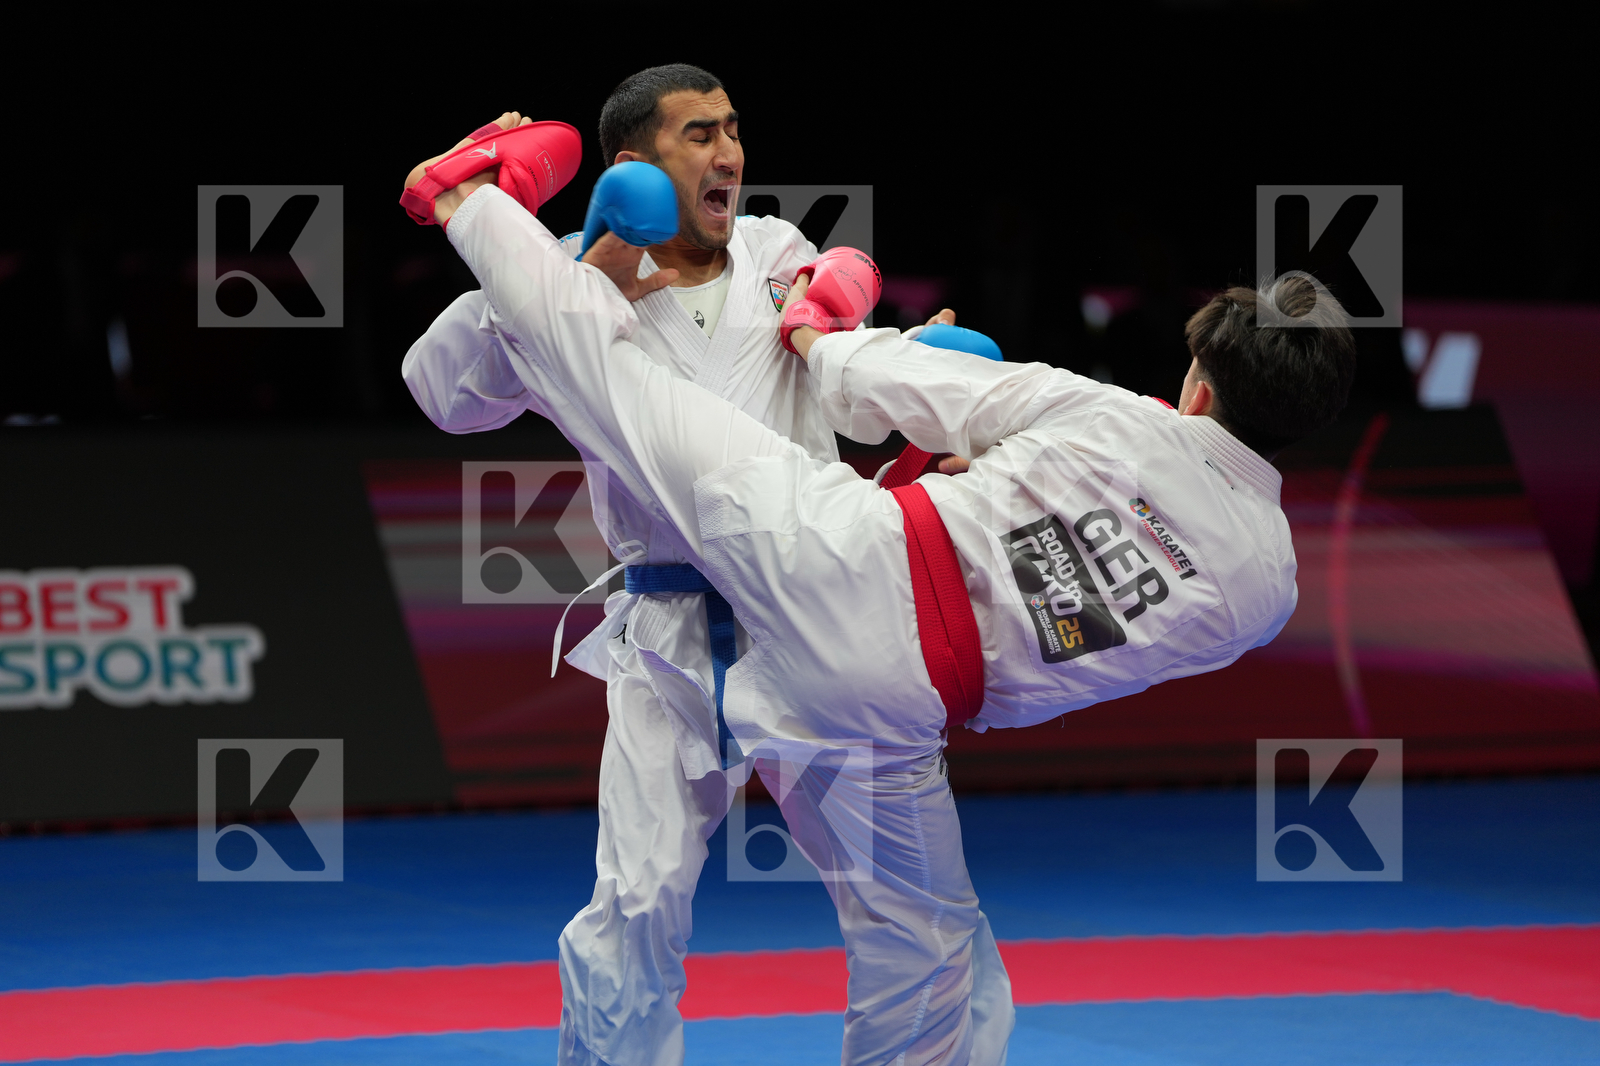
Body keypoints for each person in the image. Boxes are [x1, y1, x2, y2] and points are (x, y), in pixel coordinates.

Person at [409, 157, 1355, 1060]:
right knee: (930, 953)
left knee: (622, 387)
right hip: (902, 708)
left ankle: (471, 198)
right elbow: (1080, 607)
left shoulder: (1115, 419)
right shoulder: (1267, 589)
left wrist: (817, 331)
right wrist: (1010, 489)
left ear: (1198, 384)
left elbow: (880, 385)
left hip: (840, 558)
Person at [402, 68, 1015, 1066]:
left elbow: (846, 398)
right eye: (698, 135)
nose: (727, 152)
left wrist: (920, 374)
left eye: (732, 129)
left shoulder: (779, 250)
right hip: (669, 638)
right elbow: (440, 394)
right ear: (634, 166)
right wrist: (582, 257)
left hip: (820, 621)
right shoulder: (566, 284)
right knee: (635, 904)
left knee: (915, 905)